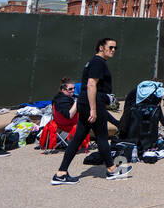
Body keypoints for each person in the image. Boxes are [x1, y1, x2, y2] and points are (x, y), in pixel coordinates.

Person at [52, 37, 129, 183]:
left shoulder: (94, 62)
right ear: (101, 47)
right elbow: (91, 84)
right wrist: (94, 109)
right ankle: (112, 169)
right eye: (111, 47)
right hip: (91, 103)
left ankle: (61, 173)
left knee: (78, 138)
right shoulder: (98, 62)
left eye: (115, 48)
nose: (113, 50)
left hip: (86, 102)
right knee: (102, 136)